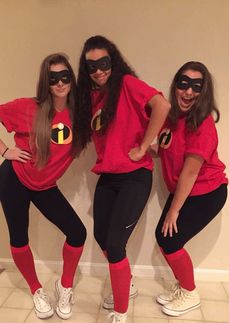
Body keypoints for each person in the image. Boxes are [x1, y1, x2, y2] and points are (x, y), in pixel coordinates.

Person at [74, 35, 170, 323]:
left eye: (104, 63)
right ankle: (125, 284)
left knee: (115, 244)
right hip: (109, 176)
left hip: (134, 177)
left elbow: (162, 106)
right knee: (102, 236)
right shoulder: (91, 98)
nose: (99, 71)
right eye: (92, 67)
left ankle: (121, 311)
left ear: (113, 62)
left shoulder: (127, 84)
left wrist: (143, 146)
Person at [0, 53, 87, 320]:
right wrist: (5, 151)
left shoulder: (80, 115)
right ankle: (37, 289)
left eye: (64, 77)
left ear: (71, 79)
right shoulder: (29, 107)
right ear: (45, 82)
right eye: (53, 78)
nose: (60, 83)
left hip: (44, 185)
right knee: (19, 237)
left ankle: (65, 285)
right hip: (14, 179)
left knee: (77, 233)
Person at [154, 61, 228, 317]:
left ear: (204, 91)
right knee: (164, 238)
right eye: (183, 84)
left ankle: (190, 292)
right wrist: (141, 150)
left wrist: (174, 211)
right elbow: (164, 148)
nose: (188, 92)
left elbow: (190, 171)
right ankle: (182, 286)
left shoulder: (202, 124)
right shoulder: (173, 118)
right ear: (175, 86)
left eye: (196, 87)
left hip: (207, 192)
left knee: (169, 240)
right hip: (186, 190)